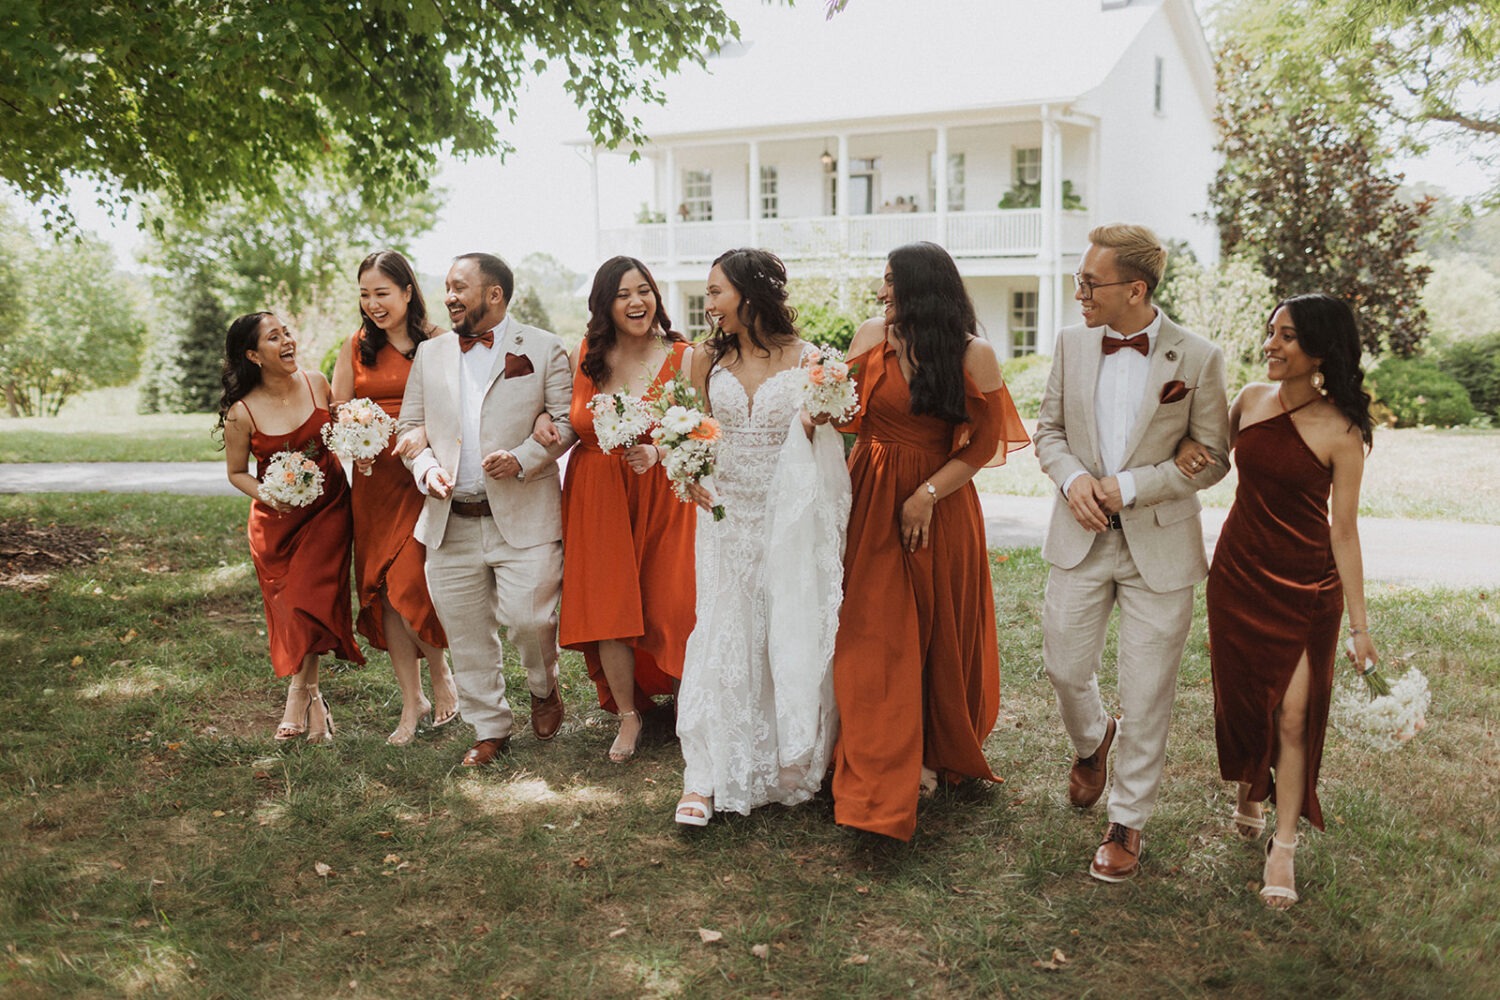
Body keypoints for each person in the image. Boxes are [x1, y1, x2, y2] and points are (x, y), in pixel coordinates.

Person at [1033, 223, 1230, 882]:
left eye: (1091, 282)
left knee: (1147, 694)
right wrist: (1073, 479)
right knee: (1064, 665)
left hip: (1161, 547)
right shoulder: (1071, 343)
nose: (1079, 291)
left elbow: (1211, 457)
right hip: (1079, 536)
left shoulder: (1198, 358)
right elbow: (1051, 431)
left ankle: (1127, 822)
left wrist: (1135, 485)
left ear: (1136, 289)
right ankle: (1093, 741)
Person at [1177, 293, 1378, 908]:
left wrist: (1360, 627)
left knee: (1294, 713)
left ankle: (1284, 846)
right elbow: (1211, 463)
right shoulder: (1248, 401)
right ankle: (1249, 787)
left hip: (1305, 585)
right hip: (1239, 574)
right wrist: (1187, 453)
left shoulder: (1342, 431)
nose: (1272, 343)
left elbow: (1343, 529)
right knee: (1245, 701)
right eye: (1271, 332)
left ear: (1320, 350)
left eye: (1287, 336)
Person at [830, 242, 1030, 842]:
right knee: (873, 629)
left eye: (891, 282)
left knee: (936, 628)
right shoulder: (871, 335)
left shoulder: (975, 354)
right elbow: (841, 414)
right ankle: (877, 758)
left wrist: (926, 495)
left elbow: (981, 445)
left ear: (922, 288)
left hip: (938, 503)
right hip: (868, 493)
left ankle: (931, 749)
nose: (881, 292)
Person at [673, 248, 850, 825]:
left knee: (784, 627)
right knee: (724, 630)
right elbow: (691, 433)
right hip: (725, 515)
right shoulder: (702, 361)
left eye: (716, 291)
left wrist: (814, 422)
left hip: (786, 514)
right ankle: (703, 776)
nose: (709, 304)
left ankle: (786, 760)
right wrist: (690, 473)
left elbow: (823, 441)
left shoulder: (811, 361)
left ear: (749, 294)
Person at [395, 252, 576, 768]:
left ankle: (544, 687)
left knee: (531, 620)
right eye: (446, 287)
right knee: (467, 632)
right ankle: (490, 727)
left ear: (494, 294)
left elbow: (566, 424)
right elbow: (409, 427)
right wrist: (425, 468)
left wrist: (521, 458)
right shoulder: (430, 355)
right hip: (450, 520)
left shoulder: (541, 348)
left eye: (459, 288)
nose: (448, 297)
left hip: (525, 516)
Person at [541, 256, 696, 763]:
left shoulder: (684, 356)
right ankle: (629, 714)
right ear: (605, 303)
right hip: (596, 495)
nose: (637, 301)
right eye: (624, 293)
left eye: (645, 290)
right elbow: (569, 418)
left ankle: (687, 703)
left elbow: (706, 429)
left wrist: (660, 451)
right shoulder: (587, 352)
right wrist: (546, 418)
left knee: (673, 600)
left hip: (662, 494)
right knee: (609, 608)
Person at [218, 311, 365, 743]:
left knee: (310, 601)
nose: (287, 341)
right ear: (253, 355)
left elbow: (343, 437)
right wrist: (267, 494)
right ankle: (312, 696)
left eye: (286, 333)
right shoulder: (241, 413)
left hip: (329, 511)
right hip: (276, 524)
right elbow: (236, 472)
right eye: (273, 337)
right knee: (296, 611)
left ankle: (298, 694)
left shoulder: (317, 382)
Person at [331, 250, 457, 747]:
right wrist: (353, 438)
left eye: (382, 293)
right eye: (365, 295)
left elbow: (460, 408)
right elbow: (337, 409)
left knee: (412, 580)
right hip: (374, 482)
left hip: (422, 479)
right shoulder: (355, 346)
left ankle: (442, 672)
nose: (373, 304)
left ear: (408, 291)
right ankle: (412, 701)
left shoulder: (439, 342)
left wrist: (424, 429)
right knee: (382, 586)